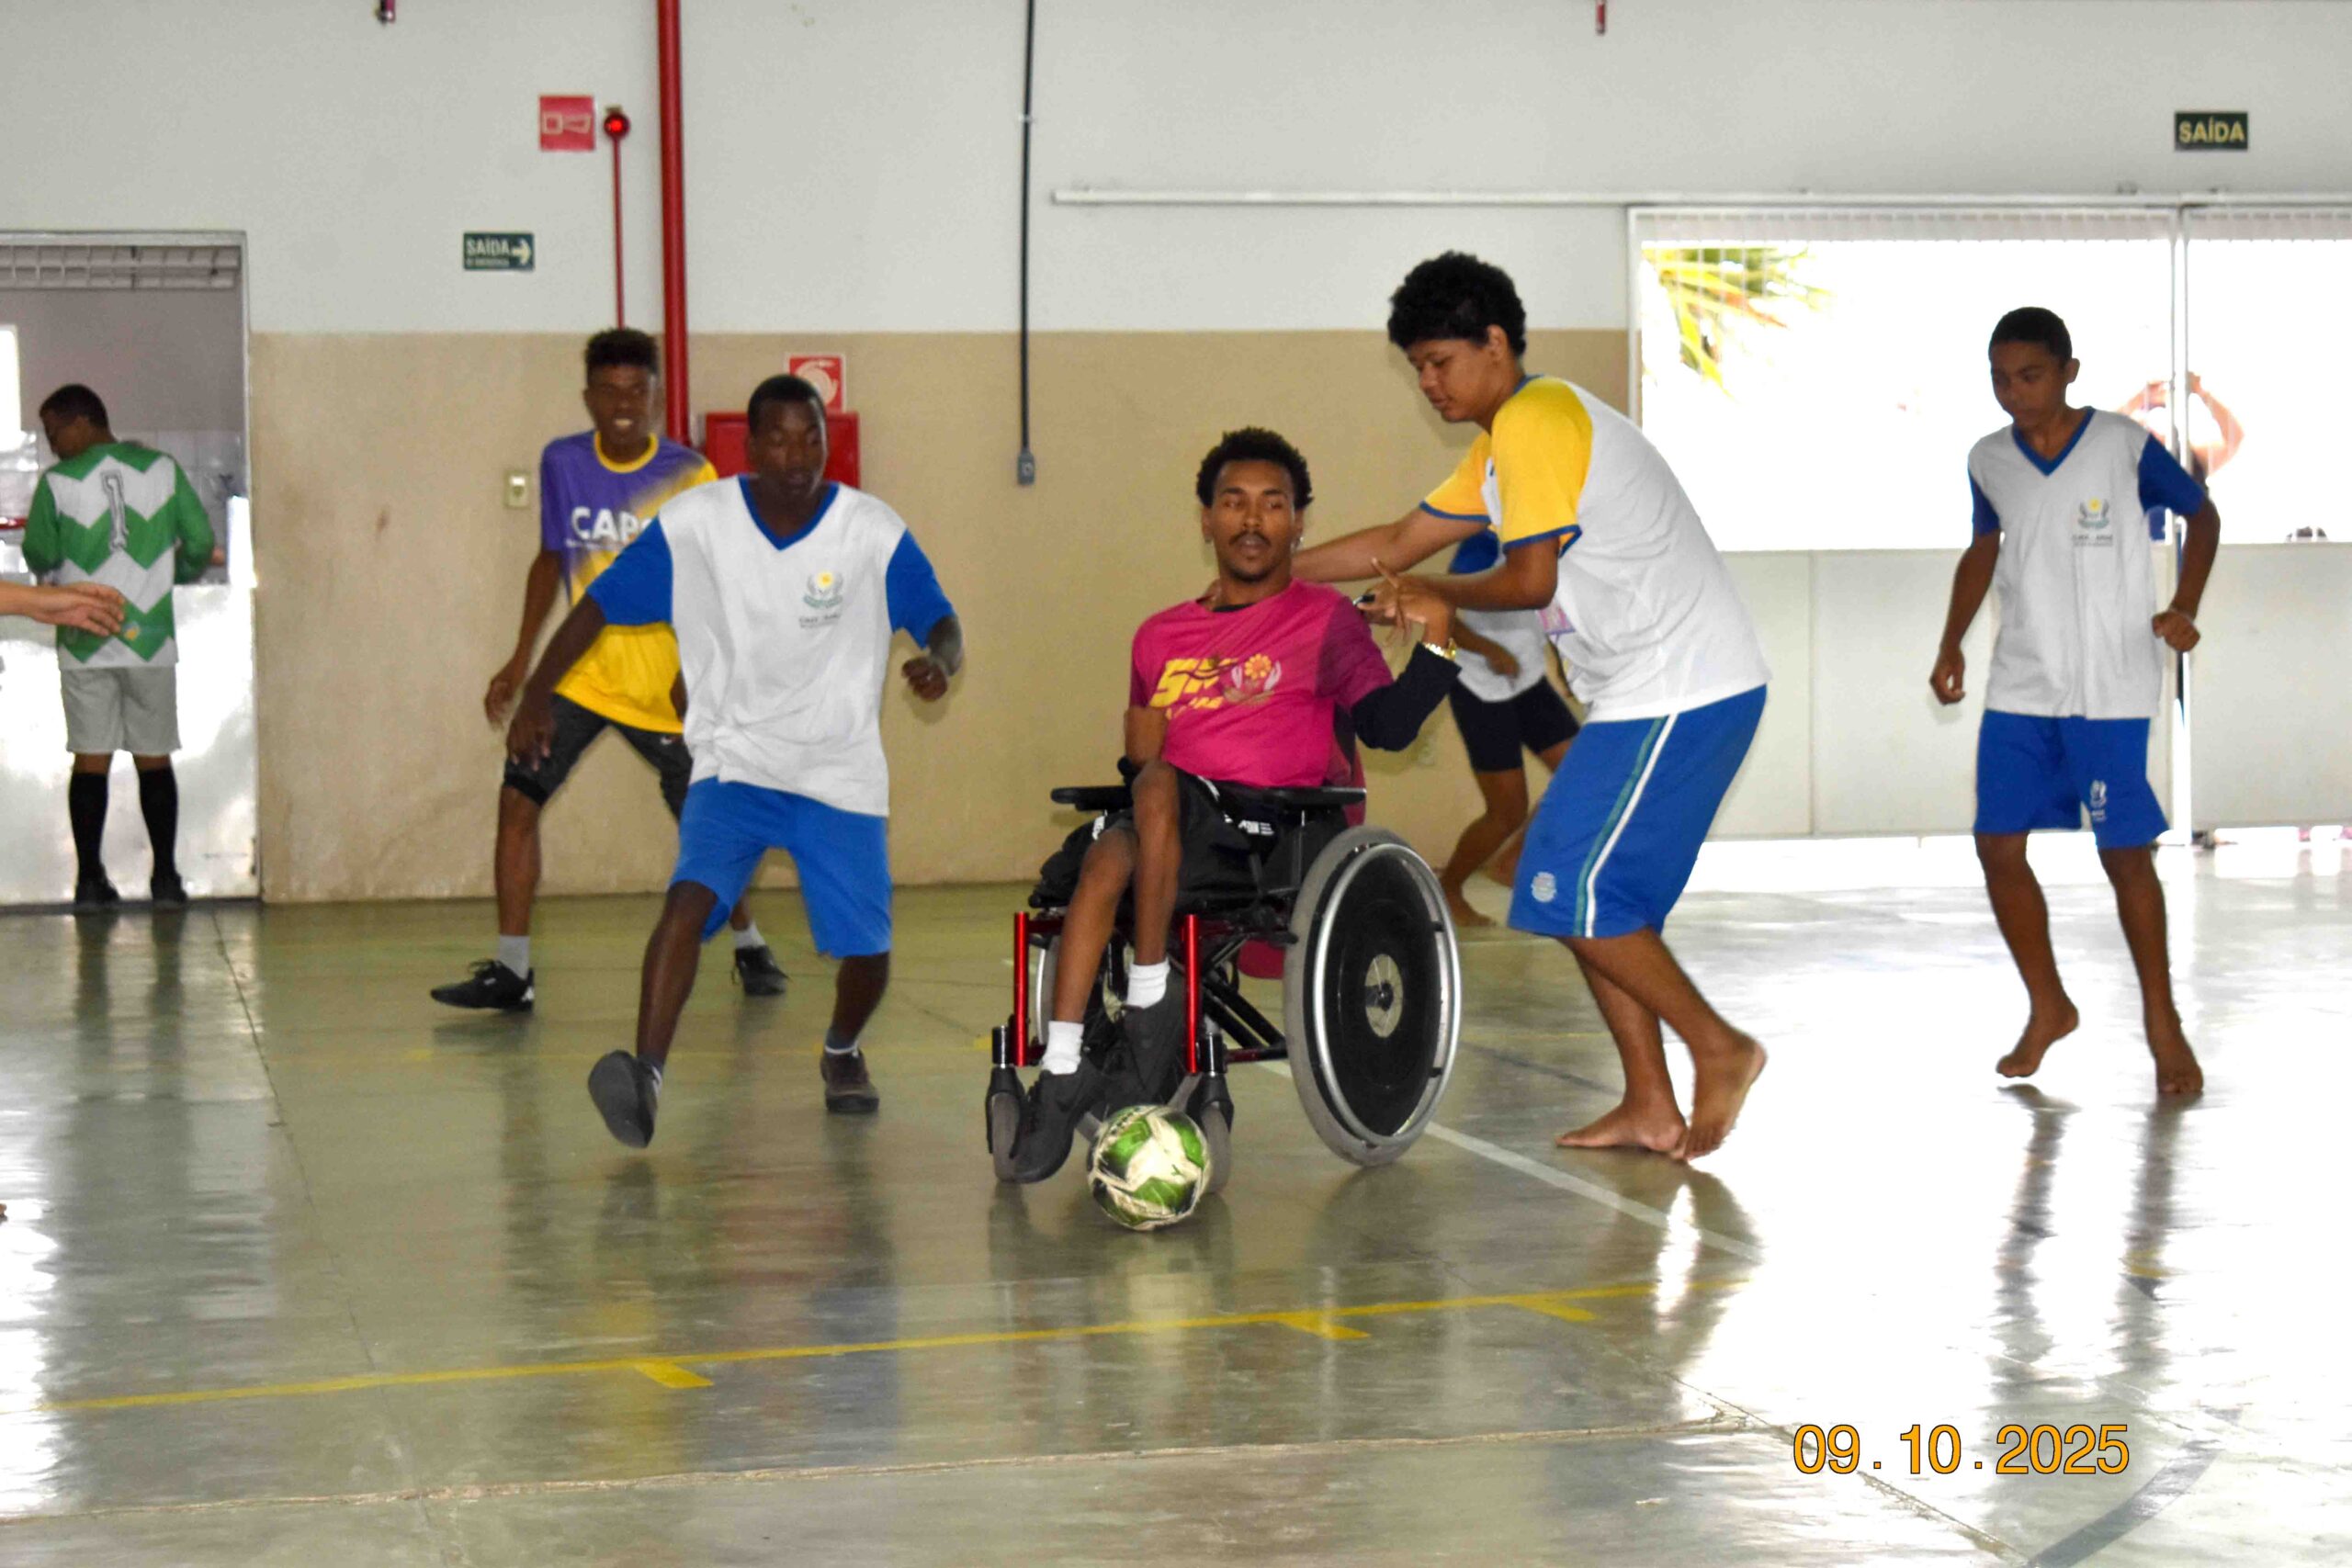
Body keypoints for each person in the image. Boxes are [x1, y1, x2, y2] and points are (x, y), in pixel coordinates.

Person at [1293, 253, 1772, 1162]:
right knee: (1600, 898)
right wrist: (1277, 572)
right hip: (1652, 689)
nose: (1427, 382)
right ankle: (1648, 1105)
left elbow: (1527, 578)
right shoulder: (1505, 441)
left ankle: (1720, 1047)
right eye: (1416, 368)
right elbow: (1397, 541)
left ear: (1496, 343)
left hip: (1682, 684)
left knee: (1558, 880)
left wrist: (1428, 597)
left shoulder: (1537, 421)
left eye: (1439, 361)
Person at [507, 375, 963, 1145]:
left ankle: (842, 1048)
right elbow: (596, 605)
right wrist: (536, 694)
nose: (797, 454)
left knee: (868, 951)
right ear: (748, 448)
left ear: (827, 441)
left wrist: (940, 662)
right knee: (685, 904)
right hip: (735, 764)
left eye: (811, 437)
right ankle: (646, 1076)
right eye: (779, 438)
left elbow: (940, 619)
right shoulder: (698, 524)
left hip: (836, 770)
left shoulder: (869, 529)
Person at [1007, 426, 1463, 1181]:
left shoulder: (1324, 620)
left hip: (1265, 832)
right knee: (1105, 854)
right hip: (1169, 827)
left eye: (1273, 504)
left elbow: (1387, 727)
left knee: (1149, 797)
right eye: (1234, 503)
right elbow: (1142, 751)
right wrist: (1145, 771)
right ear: (1207, 519)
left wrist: (1439, 638)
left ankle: (1149, 1004)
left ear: (1299, 522)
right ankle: (1060, 1075)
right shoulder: (1159, 634)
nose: (1253, 520)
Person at [432, 328, 787, 1013]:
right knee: (516, 799)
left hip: (665, 688)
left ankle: (749, 941)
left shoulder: (691, 475)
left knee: (705, 823)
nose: (624, 404)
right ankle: (513, 970)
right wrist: (522, 660)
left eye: (638, 391)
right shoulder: (562, 463)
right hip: (581, 678)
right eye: (610, 391)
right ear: (589, 397)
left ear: (656, 398)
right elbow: (550, 558)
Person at [1930, 307, 2217, 1098]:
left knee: (2123, 853)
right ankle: (2047, 1003)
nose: (2014, 393)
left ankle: (2163, 1022)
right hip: (2022, 682)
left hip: (2112, 683)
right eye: (1999, 378)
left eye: (2029, 375)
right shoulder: (1989, 459)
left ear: (2068, 371)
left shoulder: (2123, 445)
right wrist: (1951, 640)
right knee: (1997, 846)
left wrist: (2185, 604)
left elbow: (2203, 513)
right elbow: (1984, 547)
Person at [22, 384, 215, 912]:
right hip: (150, 638)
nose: (52, 443)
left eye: (54, 430)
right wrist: (180, 574)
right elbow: (198, 541)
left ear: (82, 422)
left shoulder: (58, 483)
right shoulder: (164, 470)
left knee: (91, 759)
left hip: (85, 637)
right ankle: (167, 881)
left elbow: (39, 550)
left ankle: (90, 883)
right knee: (154, 757)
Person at [1431, 528, 1578, 928]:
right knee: (1507, 810)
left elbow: (1554, 614)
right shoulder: (1482, 544)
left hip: (1529, 678)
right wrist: (1488, 649)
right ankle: (1449, 887)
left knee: (1580, 775)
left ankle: (1513, 862)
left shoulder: (1556, 543)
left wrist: (1568, 666)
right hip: (1479, 686)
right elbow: (1443, 612)